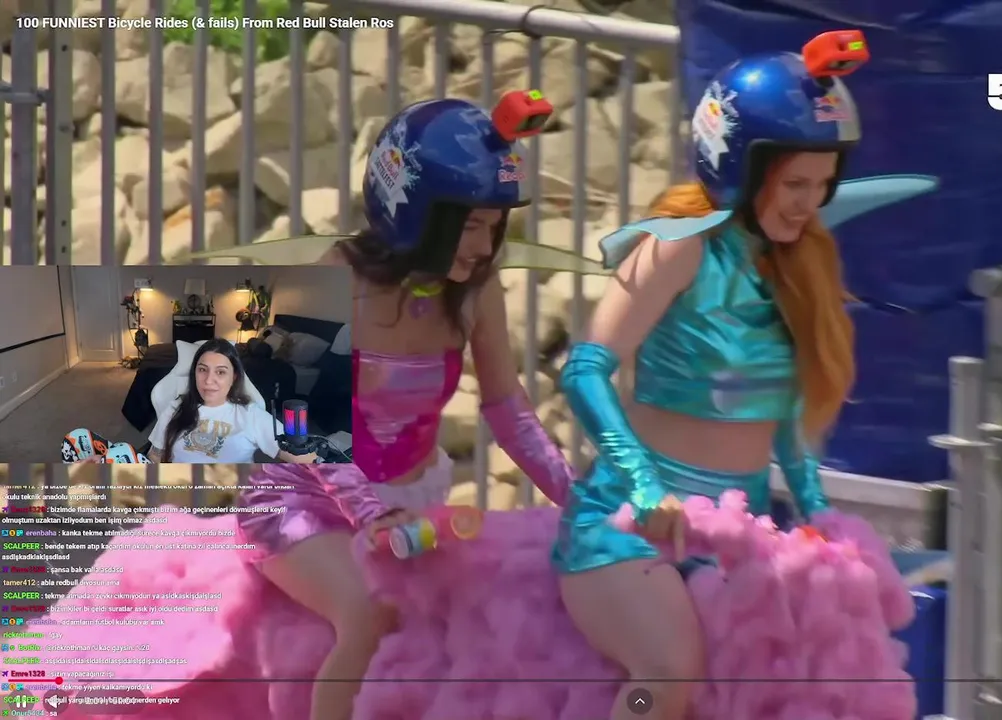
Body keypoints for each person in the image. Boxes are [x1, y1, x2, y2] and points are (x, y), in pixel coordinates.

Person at [552, 41, 936, 720]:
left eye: (822, 186)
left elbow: (782, 413)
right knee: (667, 675)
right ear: (739, 167)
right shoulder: (678, 244)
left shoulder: (798, 265)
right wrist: (643, 488)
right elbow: (584, 368)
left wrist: (816, 512)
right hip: (628, 528)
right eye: (795, 185)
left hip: (736, 536)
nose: (809, 204)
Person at [204, 94, 595, 720]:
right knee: (371, 611)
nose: (485, 245)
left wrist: (582, 499)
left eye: (495, 226)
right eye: (470, 224)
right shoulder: (333, 279)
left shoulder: (476, 291)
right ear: (414, 209)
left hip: (409, 509)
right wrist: (370, 510)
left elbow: (509, 410)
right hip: (301, 503)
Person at [59, 338, 316, 465]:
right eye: (202, 370)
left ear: (234, 377)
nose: (209, 380)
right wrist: (118, 462)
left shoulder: (250, 413)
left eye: (220, 372)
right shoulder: (177, 406)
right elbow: (156, 454)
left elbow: (298, 455)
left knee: (116, 457)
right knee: (78, 440)